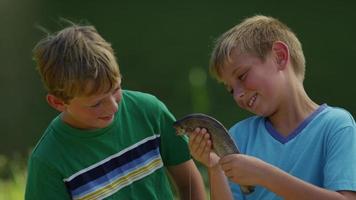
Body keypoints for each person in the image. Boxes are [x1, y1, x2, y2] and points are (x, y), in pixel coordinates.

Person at [25, 23, 206, 200]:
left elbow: (188, 182)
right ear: (58, 102)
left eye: (116, 90)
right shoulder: (48, 161)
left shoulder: (149, 111)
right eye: (96, 104)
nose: (113, 107)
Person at [188, 15, 356, 200]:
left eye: (242, 76)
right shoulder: (238, 136)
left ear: (279, 56)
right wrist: (215, 166)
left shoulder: (337, 126)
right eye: (230, 90)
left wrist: (264, 175)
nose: (238, 95)